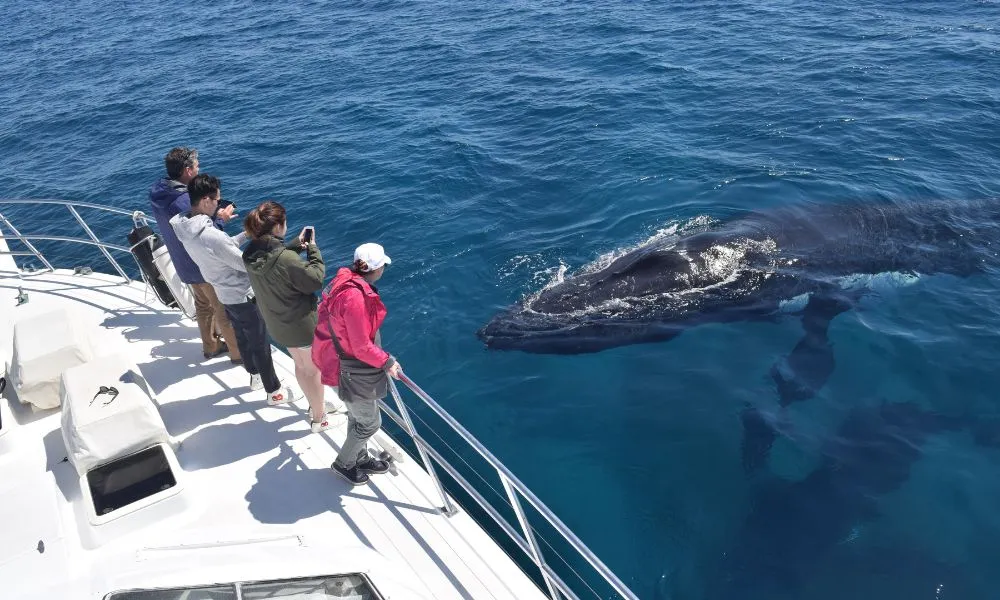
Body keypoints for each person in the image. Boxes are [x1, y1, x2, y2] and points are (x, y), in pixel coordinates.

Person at [170, 174, 293, 404]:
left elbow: (220, 248)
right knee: (259, 342)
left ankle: (255, 376)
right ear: (206, 200)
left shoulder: (184, 226)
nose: (219, 204)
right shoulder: (211, 235)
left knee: (243, 337)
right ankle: (273, 391)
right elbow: (244, 264)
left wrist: (245, 235)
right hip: (242, 295)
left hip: (223, 293)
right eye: (217, 200)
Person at [242, 201, 342, 433]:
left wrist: (296, 244)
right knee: (314, 369)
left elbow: (274, 259)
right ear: (277, 227)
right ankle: (320, 418)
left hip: (277, 324)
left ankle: (314, 405)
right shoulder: (287, 259)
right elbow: (314, 279)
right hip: (301, 325)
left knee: (300, 365)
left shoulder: (249, 253)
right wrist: (313, 248)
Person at [313, 243, 402, 486]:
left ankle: (359, 458)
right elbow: (361, 346)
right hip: (351, 370)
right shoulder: (355, 298)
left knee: (357, 417)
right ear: (377, 269)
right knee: (371, 423)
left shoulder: (346, 281)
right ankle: (344, 464)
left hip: (340, 364)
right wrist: (387, 361)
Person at [149, 147, 240, 363]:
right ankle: (238, 355)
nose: (199, 169)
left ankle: (211, 346)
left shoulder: (159, 191)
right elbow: (206, 235)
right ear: (188, 170)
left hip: (183, 263)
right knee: (223, 310)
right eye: (197, 166)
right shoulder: (182, 201)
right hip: (201, 264)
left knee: (203, 305)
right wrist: (221, 219)